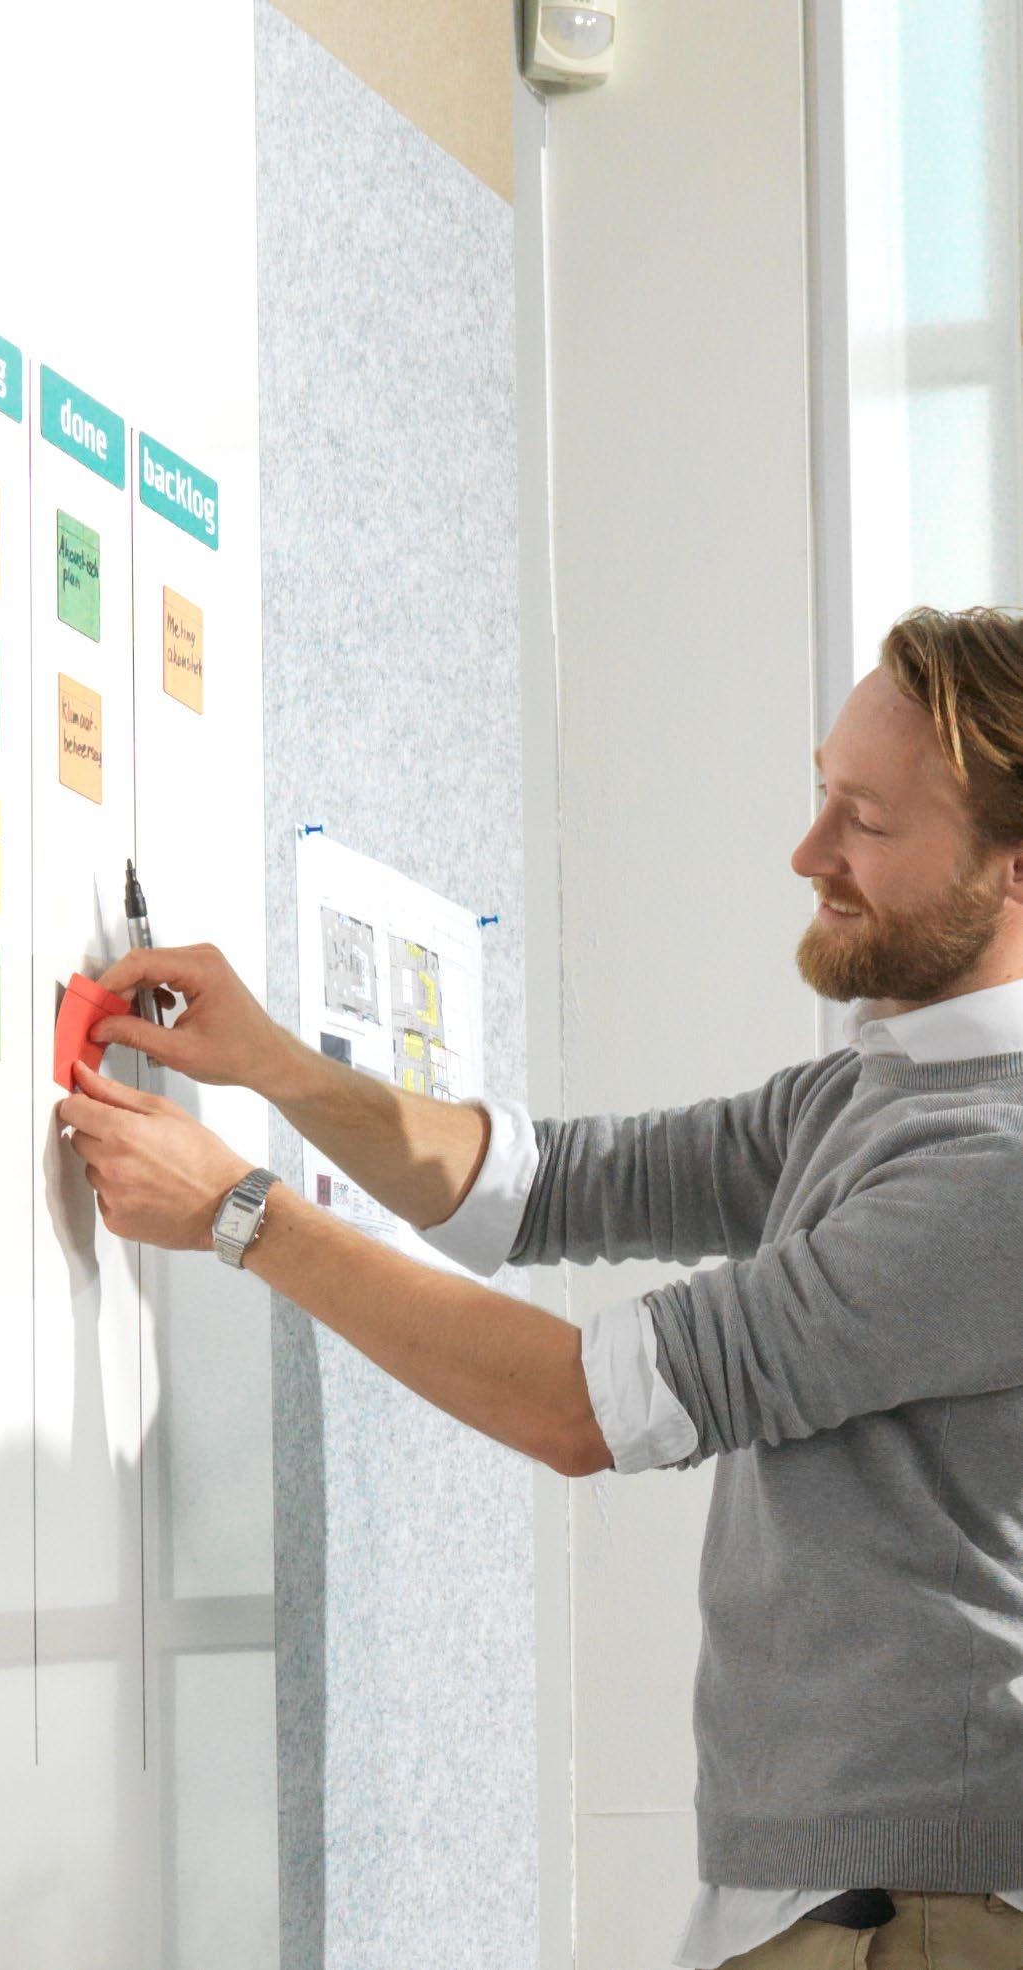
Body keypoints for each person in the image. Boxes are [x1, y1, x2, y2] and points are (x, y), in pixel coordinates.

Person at [59, 605, 1023, 1969]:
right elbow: (549, 1184)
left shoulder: (993, 1173)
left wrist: (239, 1212)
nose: (807, 853)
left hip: (920, 1917)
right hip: (833, 1900)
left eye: (862, 821)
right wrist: (275, 1063)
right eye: (822, 793)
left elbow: (586, 1406)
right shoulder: (876, 1088)